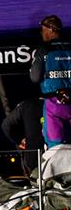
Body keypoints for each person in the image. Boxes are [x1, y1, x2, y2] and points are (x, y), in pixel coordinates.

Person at [29, 15, 71, 148]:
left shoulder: (43, 49)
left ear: (51, 29)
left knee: (55, 146)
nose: (42, 33)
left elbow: (34, 77)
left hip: (53, 103)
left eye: (43, 29)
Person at [0, 98, 44, 174]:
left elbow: (6, 125)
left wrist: (19, 140)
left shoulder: (27, 105)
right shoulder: (64, 104)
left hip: (33, 158)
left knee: (36, 182)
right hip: (60, 156)